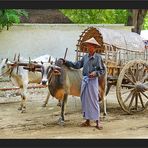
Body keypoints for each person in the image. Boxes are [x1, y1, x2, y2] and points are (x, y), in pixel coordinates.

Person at [60, 37, 105, 130]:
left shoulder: (98, 58)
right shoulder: (85, 57)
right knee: (84, 100)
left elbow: (102, 70)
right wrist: (66, 62)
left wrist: (95, 73)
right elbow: (77, 65)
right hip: (84, 80)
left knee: (93, 101)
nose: (89, 48)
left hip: (93, 81)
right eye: (88, 46)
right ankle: (87, 120)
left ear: (95, 48)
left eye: (91, 46)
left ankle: (97, 121)